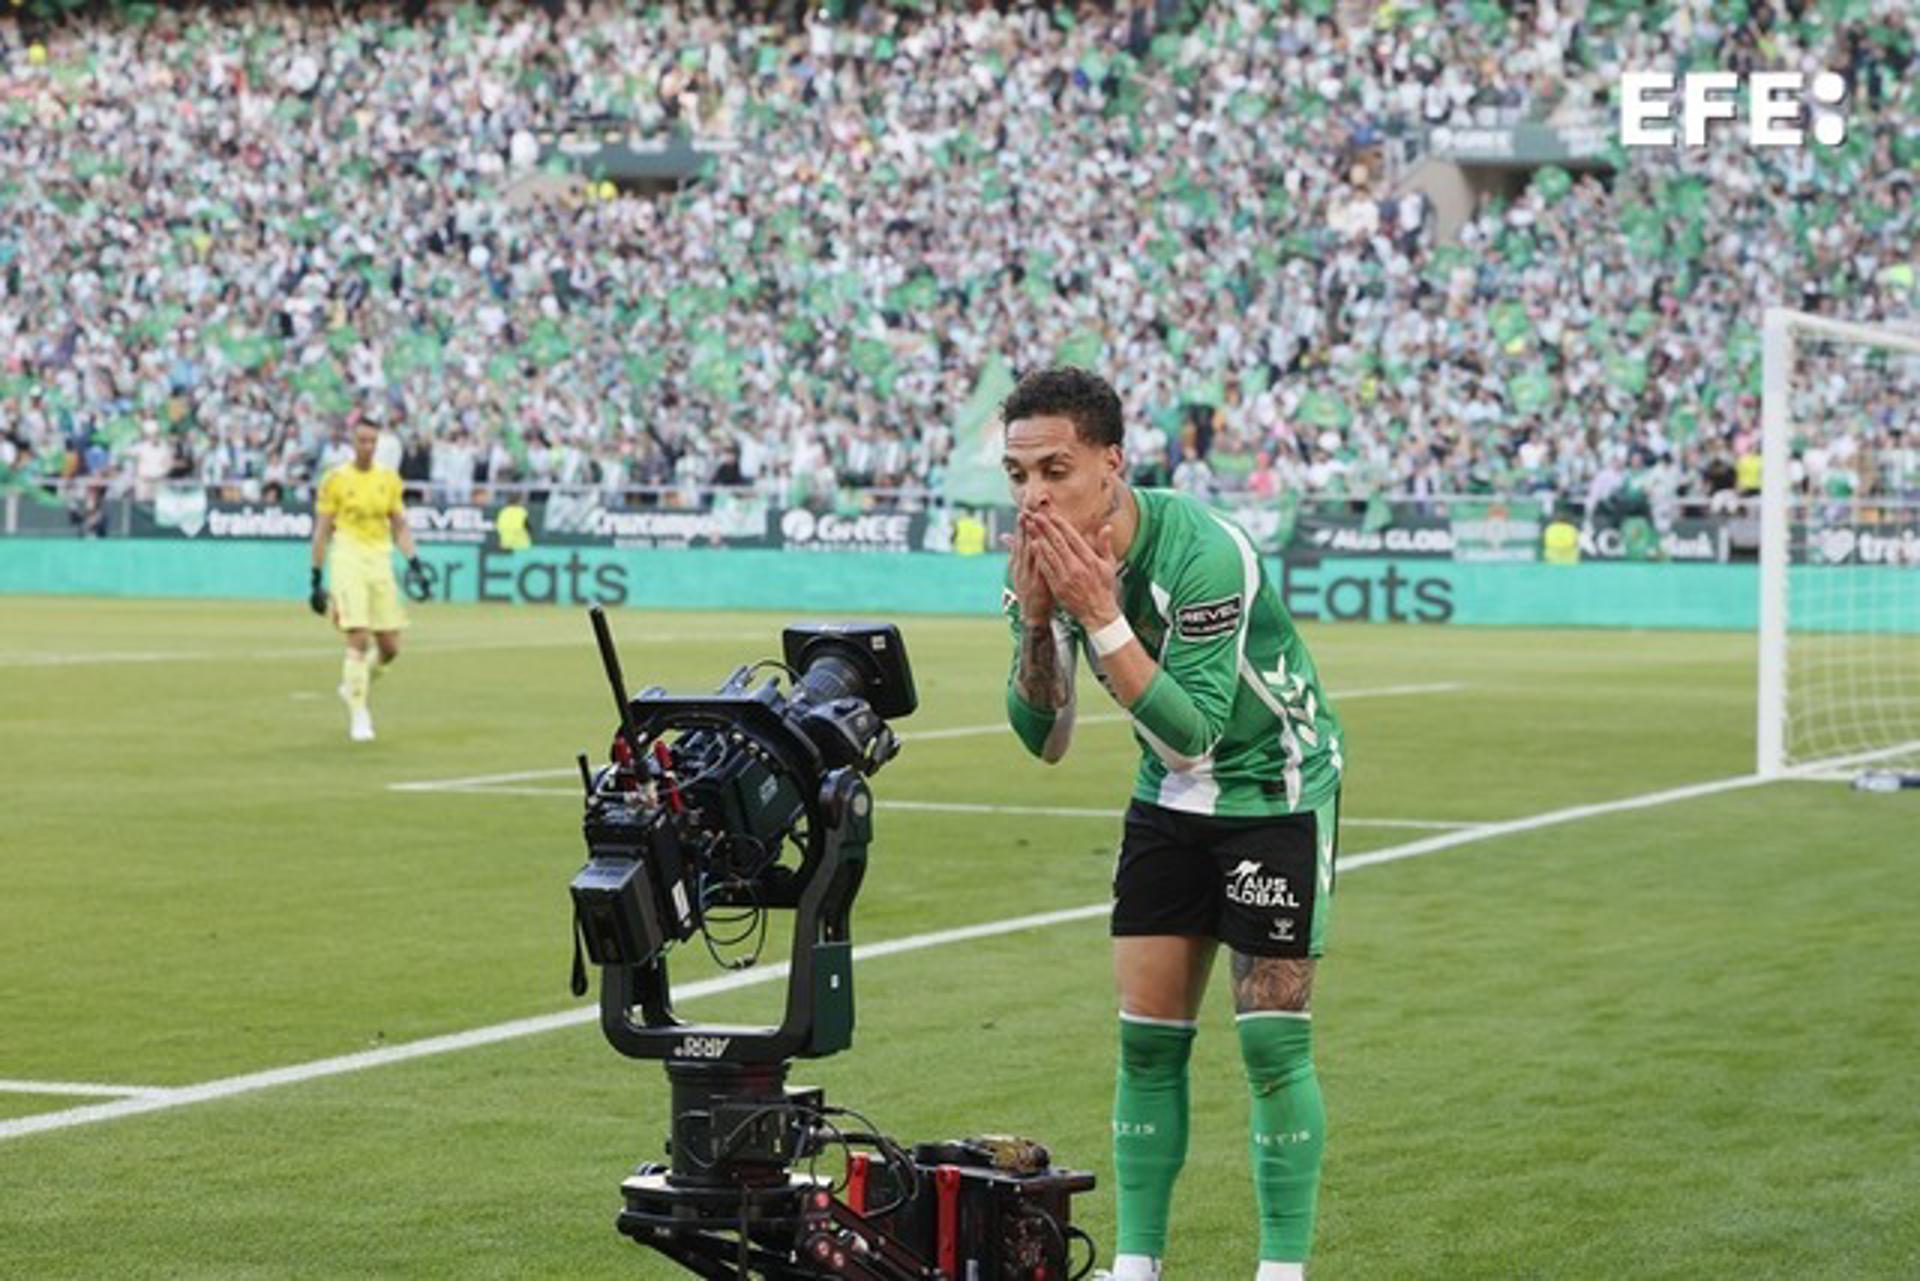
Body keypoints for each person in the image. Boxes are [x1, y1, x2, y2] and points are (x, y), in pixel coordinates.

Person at [998, 368, 1344, 1281]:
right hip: (1169, 801)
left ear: (1111, 464)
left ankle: (1281, 1271)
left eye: (1055, 470)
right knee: (1146, 1041)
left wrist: (1100, 613)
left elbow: (1196, 735)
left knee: (1271, 1042)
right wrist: (1040, 620)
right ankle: (1136, 1265)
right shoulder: (1048, 557)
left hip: (1274, 786)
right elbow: (1046, 738)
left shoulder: (1205, 553)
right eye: (1017, 475)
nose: (1033, 496)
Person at [309, 421, 432, 742]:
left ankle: (353, 684)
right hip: (347, 556)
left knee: (390, 648)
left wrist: (414, 562)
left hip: (379, 558)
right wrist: (315, 577)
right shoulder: (335, 480)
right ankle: (359, 714)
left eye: (372, 441)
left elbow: (400, 526)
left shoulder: (388, 480)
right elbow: (322, 529)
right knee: (359, 636)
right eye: (362, 440)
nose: (367, 446)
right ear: (353, 442)